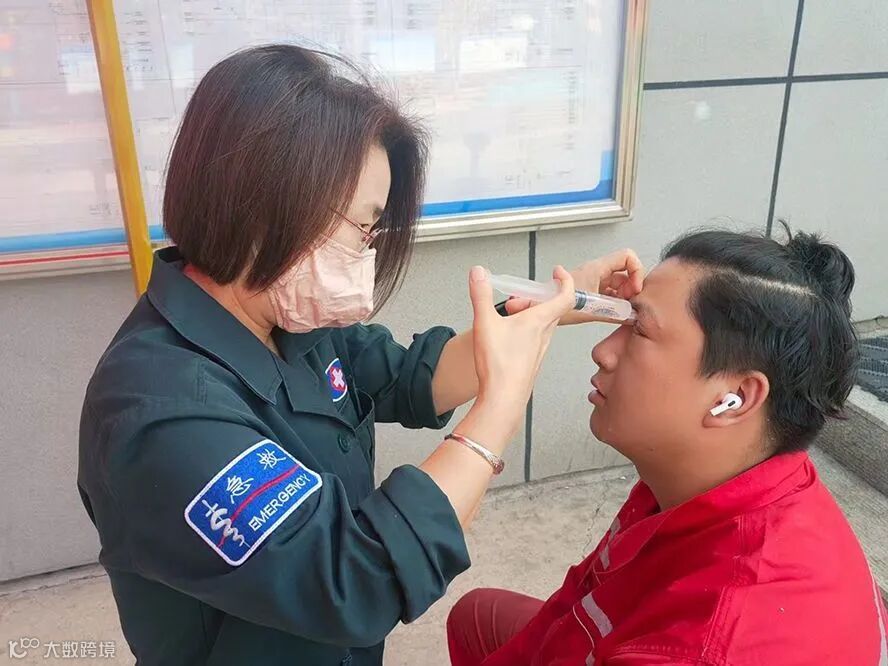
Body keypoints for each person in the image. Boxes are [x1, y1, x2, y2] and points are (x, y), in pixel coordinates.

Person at [77, 44, 642, 666]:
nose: (369, 250)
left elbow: (410, 379)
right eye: (362, 226)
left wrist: (556, 304)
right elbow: (354, 579)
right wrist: (498, 414)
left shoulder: (289, 318)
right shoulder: (161, 410)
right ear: (265, 202)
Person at [447, 228, 888, 665]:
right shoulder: (721, 472)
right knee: (476, 614)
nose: (602, 351)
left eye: (639, 330)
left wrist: (493, 415)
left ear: (734, 398)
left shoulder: (704, 647)